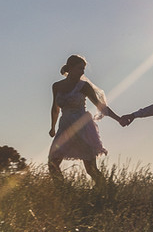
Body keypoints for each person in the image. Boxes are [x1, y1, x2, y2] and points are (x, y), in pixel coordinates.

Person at [49, 54, 122, 186]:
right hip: (64, 128)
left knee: (91, 169)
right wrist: (52, 127)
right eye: (79, 68)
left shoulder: (84, 86)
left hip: (82, 128)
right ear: (70, 68)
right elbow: (55, 108)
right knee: (53, 163)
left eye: (83, 69)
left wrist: (118, 119)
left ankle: (107, 191)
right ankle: (63, 193)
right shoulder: (57, 86)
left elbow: (101, 107)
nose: (82, 72)